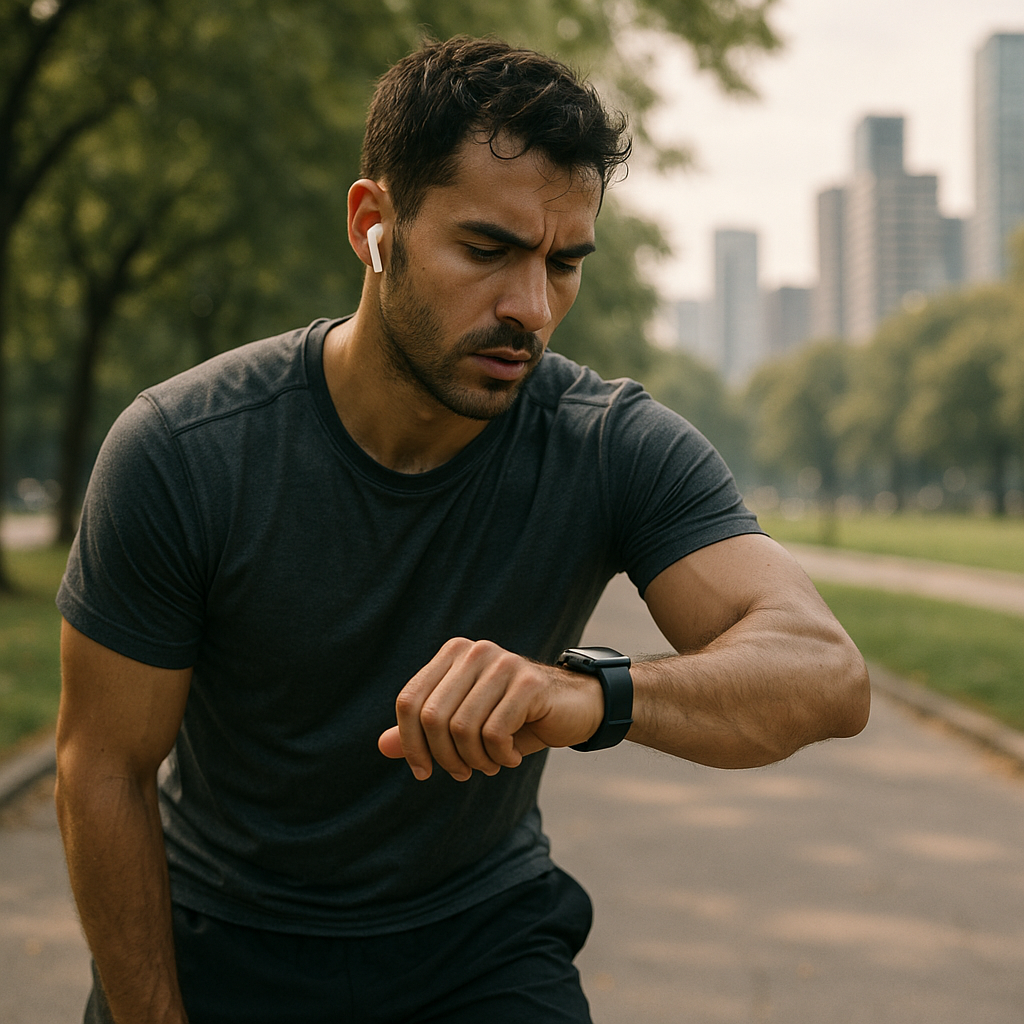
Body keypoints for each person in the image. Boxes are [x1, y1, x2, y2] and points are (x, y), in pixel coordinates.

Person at [54, 35, 870, 1024]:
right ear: (374, 223)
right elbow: (103, 766)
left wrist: (587, 694)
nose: (530, 307)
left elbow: (825, 674)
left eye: (564, 262)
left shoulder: (605, 443)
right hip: (222, 932)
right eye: (487, 250)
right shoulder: (182, 449)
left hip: (478, 944)